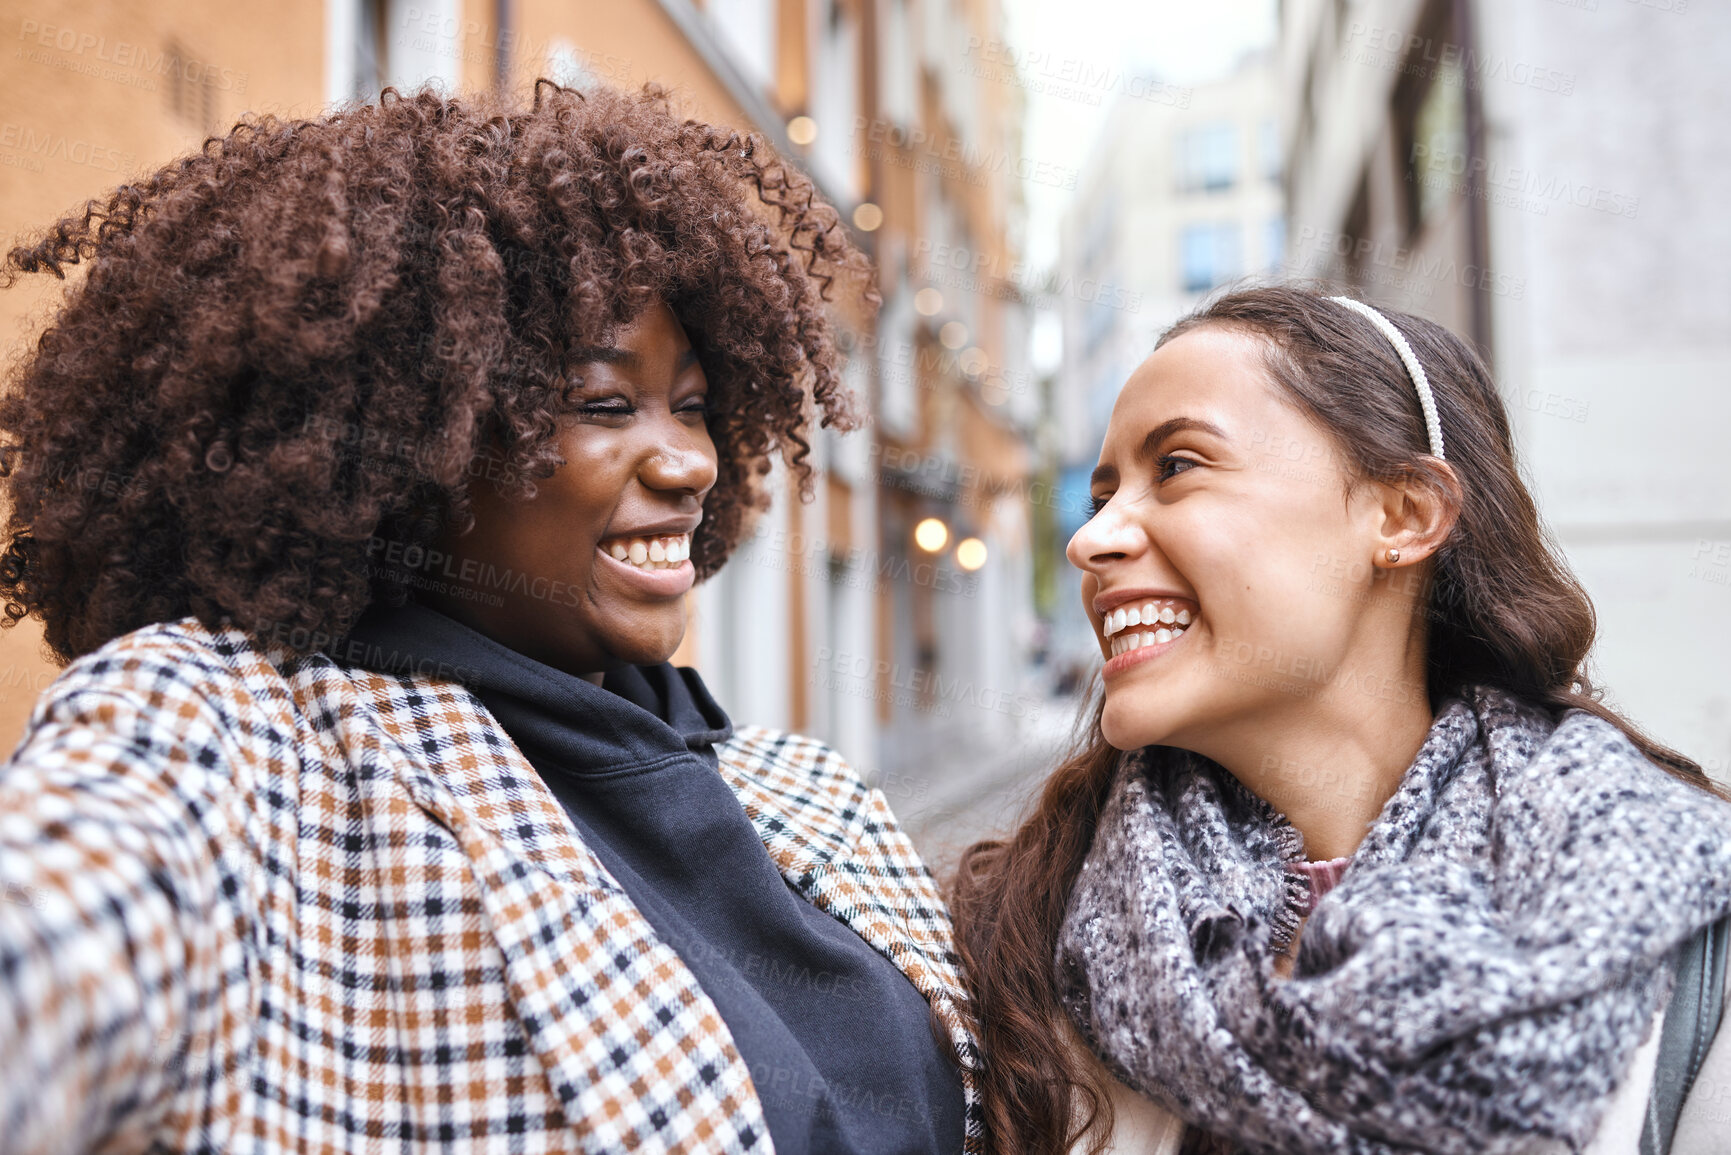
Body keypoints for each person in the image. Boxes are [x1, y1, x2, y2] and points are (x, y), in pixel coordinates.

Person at [0, 82, 983, 1154]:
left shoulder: (802, 794)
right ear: (413, 446)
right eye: (605, 405)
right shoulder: (239, 743)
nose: (691, 461)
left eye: (694, 406)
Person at [948, 285, 1731, 1155]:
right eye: (1102, 495)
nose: (1090, 540)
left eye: (1176, 466)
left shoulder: (1687, 931)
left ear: (1401, 514)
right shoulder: (1013, 946)